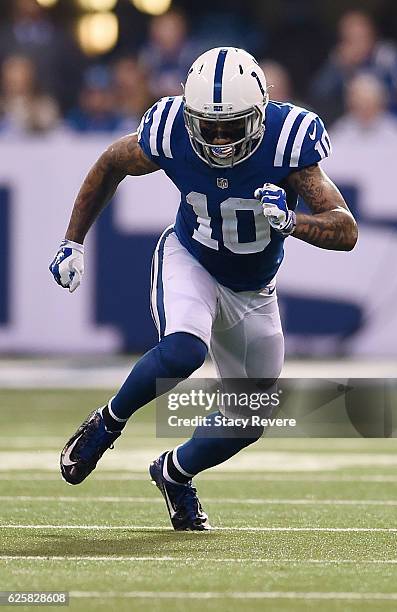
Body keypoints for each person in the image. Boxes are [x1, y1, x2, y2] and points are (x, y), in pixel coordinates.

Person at [49, 47, 358, 531]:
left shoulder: (287, 141)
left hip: (255, 290)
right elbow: (111, 162)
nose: (216, 137)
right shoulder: (170, 127)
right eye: (207, 125)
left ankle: (174, 473)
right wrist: (73, 241)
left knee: (250, 418)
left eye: (230, 125)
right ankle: (107, 422)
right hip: (190, 257)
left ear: (257, 115)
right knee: (183, 350)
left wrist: (291, 221)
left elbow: (345, 229)